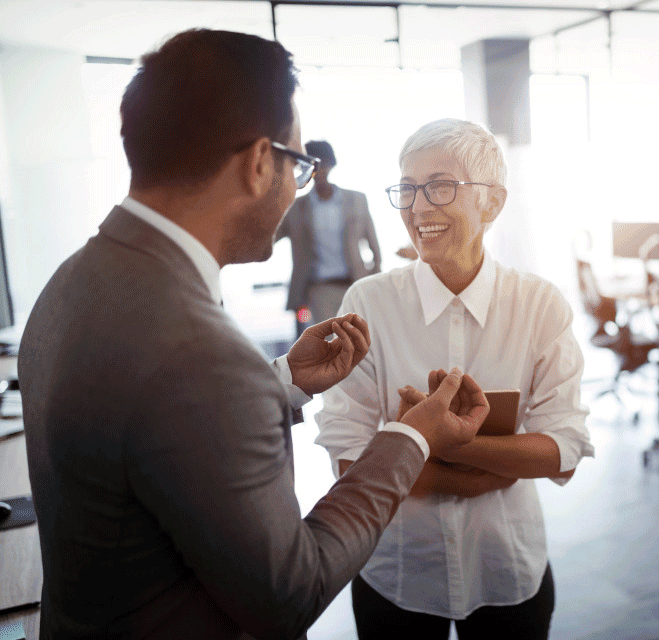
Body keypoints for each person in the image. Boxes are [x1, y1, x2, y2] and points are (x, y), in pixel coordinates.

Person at [18, 30, 489, 640]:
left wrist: (283, 381)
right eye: (297, 165)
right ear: (260, 163)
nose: (296, 187)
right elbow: (288, 594)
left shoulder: (74, 280)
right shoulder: (202, 355)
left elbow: (154, 426)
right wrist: (409, 437)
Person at [316, 118, 594, 639]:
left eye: (440, 186)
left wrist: (418, 443)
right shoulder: (369, 303)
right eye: (407, 188)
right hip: (397, 570)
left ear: (491, 203)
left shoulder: (538, 305)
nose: (418, 207)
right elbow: (349, 457)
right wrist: (489, 467)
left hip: (505, 568)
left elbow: (563, 449)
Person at [275, 139, 381, 336]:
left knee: (363, 340)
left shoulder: (356, 200)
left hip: (355, 284)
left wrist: (372, 277)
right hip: (319, 289)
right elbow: (271, 236)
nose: (320, 170)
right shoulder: (296, 207)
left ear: (331, 164)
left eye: (323, 164)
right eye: (314, 165)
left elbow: (374, 246)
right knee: (331, 344)